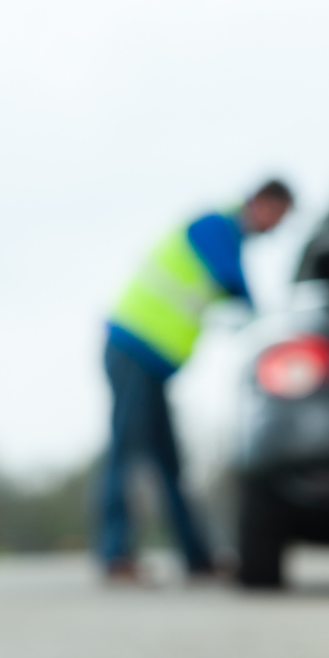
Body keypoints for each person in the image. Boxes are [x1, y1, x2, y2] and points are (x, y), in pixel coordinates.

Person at [97, 179, 293, 580]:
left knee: (169, 461)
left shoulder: (224, 234)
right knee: (127, 449)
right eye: (278, 216)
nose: (276, 227)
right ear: (262, 202)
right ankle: (114, 553)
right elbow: (231, 279)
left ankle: (196, 557)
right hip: (132, 347)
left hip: (150, 362)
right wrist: (267, 320)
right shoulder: (214, 226)